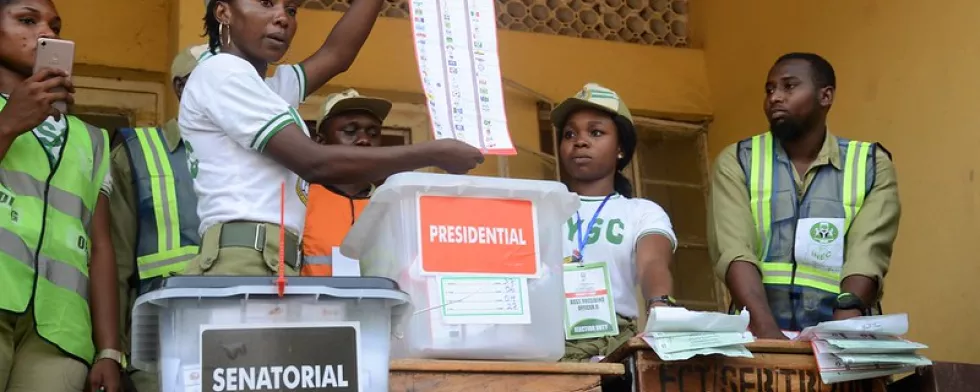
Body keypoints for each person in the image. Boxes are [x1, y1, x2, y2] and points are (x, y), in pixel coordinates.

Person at [179, 0, 483, 277]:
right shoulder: (224, 74)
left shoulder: (263, 88)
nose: (282, 19)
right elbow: (314, 162)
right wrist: (431, 154)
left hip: (266, 255)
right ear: (224, 12)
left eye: (291, 10)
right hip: (244, 259)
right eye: (267, 4)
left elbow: (337, 54)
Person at [707, 52, 900, 339]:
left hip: (841, 335)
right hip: (758, 337)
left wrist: (841, 336)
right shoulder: (737, 161)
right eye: (770, 89)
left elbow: (867, 254)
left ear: (825, 96)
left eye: (789, 86)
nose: (775, 97)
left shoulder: (870, 164)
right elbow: (735, 252)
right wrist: (770, 338)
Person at [0, 0, 121, 391]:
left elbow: (101, 247)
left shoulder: (93, 140)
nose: (47, 33)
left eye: (54, 25)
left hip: (60, 332)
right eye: (27, 20)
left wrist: (108, 350)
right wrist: (8, 125)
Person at [552, 83, 677, 362]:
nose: (580, 141)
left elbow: (652, 264)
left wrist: (660, 305)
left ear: (621, 148)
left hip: (615, 346)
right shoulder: (541, 206)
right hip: (547, 341)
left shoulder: (641, 212)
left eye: (595, 132)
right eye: (570, 134)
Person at [107, 44, 208, 392]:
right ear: (181, 88)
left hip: (241, 338)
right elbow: (115, 263)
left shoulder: (257, 154)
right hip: (161, 345)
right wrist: (111, 352)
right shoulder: (137, 153)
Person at [300, 88, 390, 277]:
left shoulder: (390, 203)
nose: (364, 140)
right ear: (321, 142)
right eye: (350, 131)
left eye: (373, 133)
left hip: (382, 306)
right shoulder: (300, 200)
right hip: (312, 305)